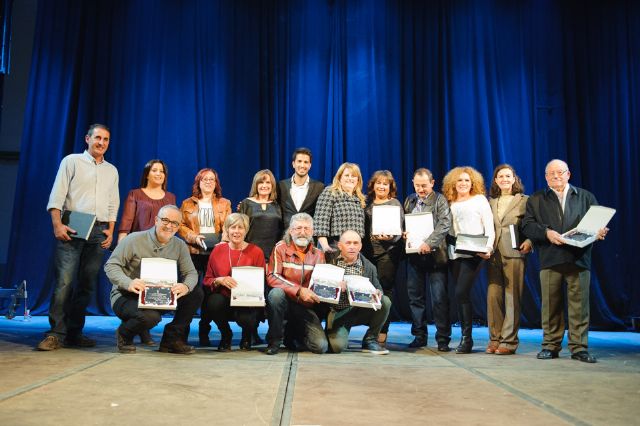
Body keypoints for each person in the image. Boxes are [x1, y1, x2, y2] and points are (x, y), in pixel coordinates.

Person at [37, 123, 119, 351]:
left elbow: (113, 201)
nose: (101, 143)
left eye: (106, 139)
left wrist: (111, 229)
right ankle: (55, 333)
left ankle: (74, 333)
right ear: (88, 139)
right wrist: (57, 224)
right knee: (64, 282)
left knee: (87, 285)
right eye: (98, 138)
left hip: (98, 230)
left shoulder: (111, 170)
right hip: (72, 226)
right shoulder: (71, 161)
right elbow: (57, 194)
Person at [522, 159, 608, 363]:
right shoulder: (536, 199)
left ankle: (579, 348)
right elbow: (527, 225)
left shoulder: (585, 197)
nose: (556, 176)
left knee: (579, 306)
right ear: (545, 177)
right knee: (550, 305)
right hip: (550, 257)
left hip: (578, 258)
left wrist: (599, 232)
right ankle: (550, 346)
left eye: (560, 172)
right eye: (551, 173)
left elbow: (597, 222)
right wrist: (546, 233)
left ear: (568, 174)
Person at [105, 205, 202, 354]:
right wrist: (129, 283)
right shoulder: (134, 239)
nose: (169, 226)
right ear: (156, 220)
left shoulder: (180, 245)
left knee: (195, 293)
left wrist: (185, 286)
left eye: (175, 223)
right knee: (150, 317)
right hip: (128, 295)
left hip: (161, 296)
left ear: (178, 227)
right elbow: (111, 266)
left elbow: (191, 273)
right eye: (165, 220)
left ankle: (171, 339)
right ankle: (124, 334)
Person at [117, 159, 176, 345]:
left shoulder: (170, 198)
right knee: (136, 289)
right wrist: (121, 246)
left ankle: (144, 329)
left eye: (162, 171)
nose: (159, 174)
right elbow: (126, 222)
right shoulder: (135, 194)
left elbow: (173, 224)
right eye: (154, 170)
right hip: (138, 250)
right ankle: (131, 327)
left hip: (161, 251)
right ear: (147, 174)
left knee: (155, 289)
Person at [442, 166, 495, 354]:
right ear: (453, 183)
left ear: (473, 183)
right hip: (454, 252)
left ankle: (467, 339)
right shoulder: (448, 202)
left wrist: (488, 248)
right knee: (460, 295)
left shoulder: (479, 200)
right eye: (459, 180)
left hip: (474, 252)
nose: (463, 183)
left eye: (466, 180)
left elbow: (489, 226)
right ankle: (465, 337)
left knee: (461, 292)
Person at [178, 168, 231, 346]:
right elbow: (181, 226)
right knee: (191, 291)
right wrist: (194, 237)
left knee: (210, 293)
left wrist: (223, 241)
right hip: (193, 252)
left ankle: (204, 330)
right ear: (198, 183)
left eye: (212, 179)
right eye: (205, 179)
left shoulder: (224, 203)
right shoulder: (187, 204)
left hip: (215, 253)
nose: (208, 182)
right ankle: (182, 333)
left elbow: (229, 226)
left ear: (216, 183)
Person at [403, 168, 452, 351]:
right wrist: (404, 233)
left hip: (435, 256)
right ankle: (419, 336)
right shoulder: (410, 200)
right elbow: (405, 223)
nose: (420, 189)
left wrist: (429, 243)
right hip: (415, 256)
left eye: (424, 185)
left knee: (439, 299)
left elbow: (444, 224)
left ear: (432, 183)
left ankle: (442, 339)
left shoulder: (440, 200)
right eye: (417, 185)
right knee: (415, 298)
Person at [265, 213, 327, 355]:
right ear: (291, 230)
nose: (302, 232)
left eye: (307, 229)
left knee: (320, 346)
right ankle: (274, 340)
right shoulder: (280, 248)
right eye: (298, 228)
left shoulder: (318, 254)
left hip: (305, 307)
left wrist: (336, 286)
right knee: (275, 294)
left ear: (312, 232)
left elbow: (321, 283)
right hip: (285, 301)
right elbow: (272, 277)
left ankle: (292, 334)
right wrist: (299, 291)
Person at [486, 164, 532, 355]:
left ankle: (509, 341)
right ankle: (495, 339)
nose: (504, 179)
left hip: (515, 252)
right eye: (500, 176)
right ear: (496, 180)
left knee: (512, 297)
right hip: (492, 253)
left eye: (508, 176)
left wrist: (530, 241)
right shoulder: (490, 201)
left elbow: (532, 223)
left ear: (514, 179)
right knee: (493, 296)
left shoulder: (525, 200)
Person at [201, 213, 266, 351]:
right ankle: (226, 334)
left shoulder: (256, 252)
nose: (236, 231)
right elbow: (207, 280)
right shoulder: (218, 250)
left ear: (246, 230)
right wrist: (219, 280)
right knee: (213, 302)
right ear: (227, 230)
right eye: (232, 227)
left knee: (248, 317)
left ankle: (247, 336)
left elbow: (261, 282)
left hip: (246, 300)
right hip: (224, 298)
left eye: (240, 227)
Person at [326, 230, 391, 355]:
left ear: (360, 246)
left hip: (360, 311)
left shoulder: (369, 266)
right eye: (348, 243)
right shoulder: (329, 261)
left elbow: (379, 289)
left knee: (385, 301)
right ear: (340, 245)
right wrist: (334, 286)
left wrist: (378, 293)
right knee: (337, 348)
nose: (352, 246)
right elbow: (319, 290)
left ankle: (370, 339)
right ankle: (331, 331)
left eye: (355, 243)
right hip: (339, 314)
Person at [363, 170, 404, 347]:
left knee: (384, 291)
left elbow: (400, 229)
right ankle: (369, 328)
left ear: (390, 187)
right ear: (373, 185)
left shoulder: (395, 204)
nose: (381, 186)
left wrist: (391, 237)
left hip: (388, 253)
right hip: (367, 253)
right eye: (378, 183)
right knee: (367, 290)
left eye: (385, 184)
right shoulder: (366, 204)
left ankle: (382, 330)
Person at [314, 162, 366, 260]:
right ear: (339, 177)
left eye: (353, 176)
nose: (350, 178)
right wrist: (325, 247)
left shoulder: (360, 198)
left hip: (354, 249)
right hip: (334, 246)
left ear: (358, 180)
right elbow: (320, 222)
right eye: (347, 175)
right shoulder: (330, 192)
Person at [238, 169, 282, 261]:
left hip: (273, 254)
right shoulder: (246, 203)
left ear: (272, 185)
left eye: (268, 182)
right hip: (249, 253)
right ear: (256, 185)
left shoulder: (277, 205)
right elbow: (240, 229)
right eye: (261, 182)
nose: (264, 186)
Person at [277, 147, 324, 229]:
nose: (302, 165)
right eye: (299, 161)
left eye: (306, 162)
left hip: (308, 237)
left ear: (310, 165)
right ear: (293, 164)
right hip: (286, 237)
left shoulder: (319, 187)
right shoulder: (281, 186)